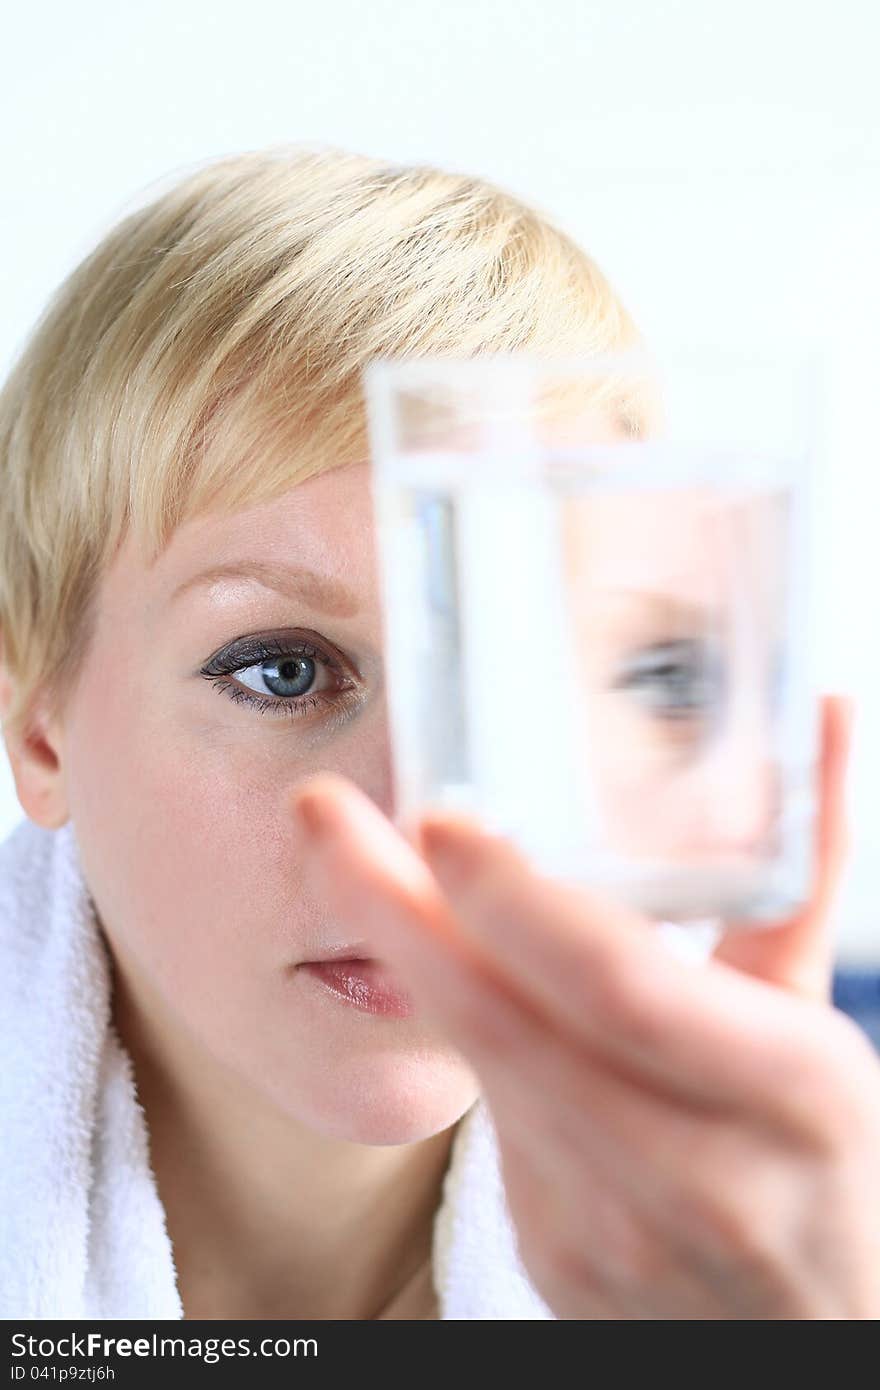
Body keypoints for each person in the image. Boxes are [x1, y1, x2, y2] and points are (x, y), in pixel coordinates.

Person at [0, 144, 877, 1321]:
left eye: (522, 676)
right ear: (38, 727)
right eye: (283, 668)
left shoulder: (809, 1220)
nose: (429, 816)